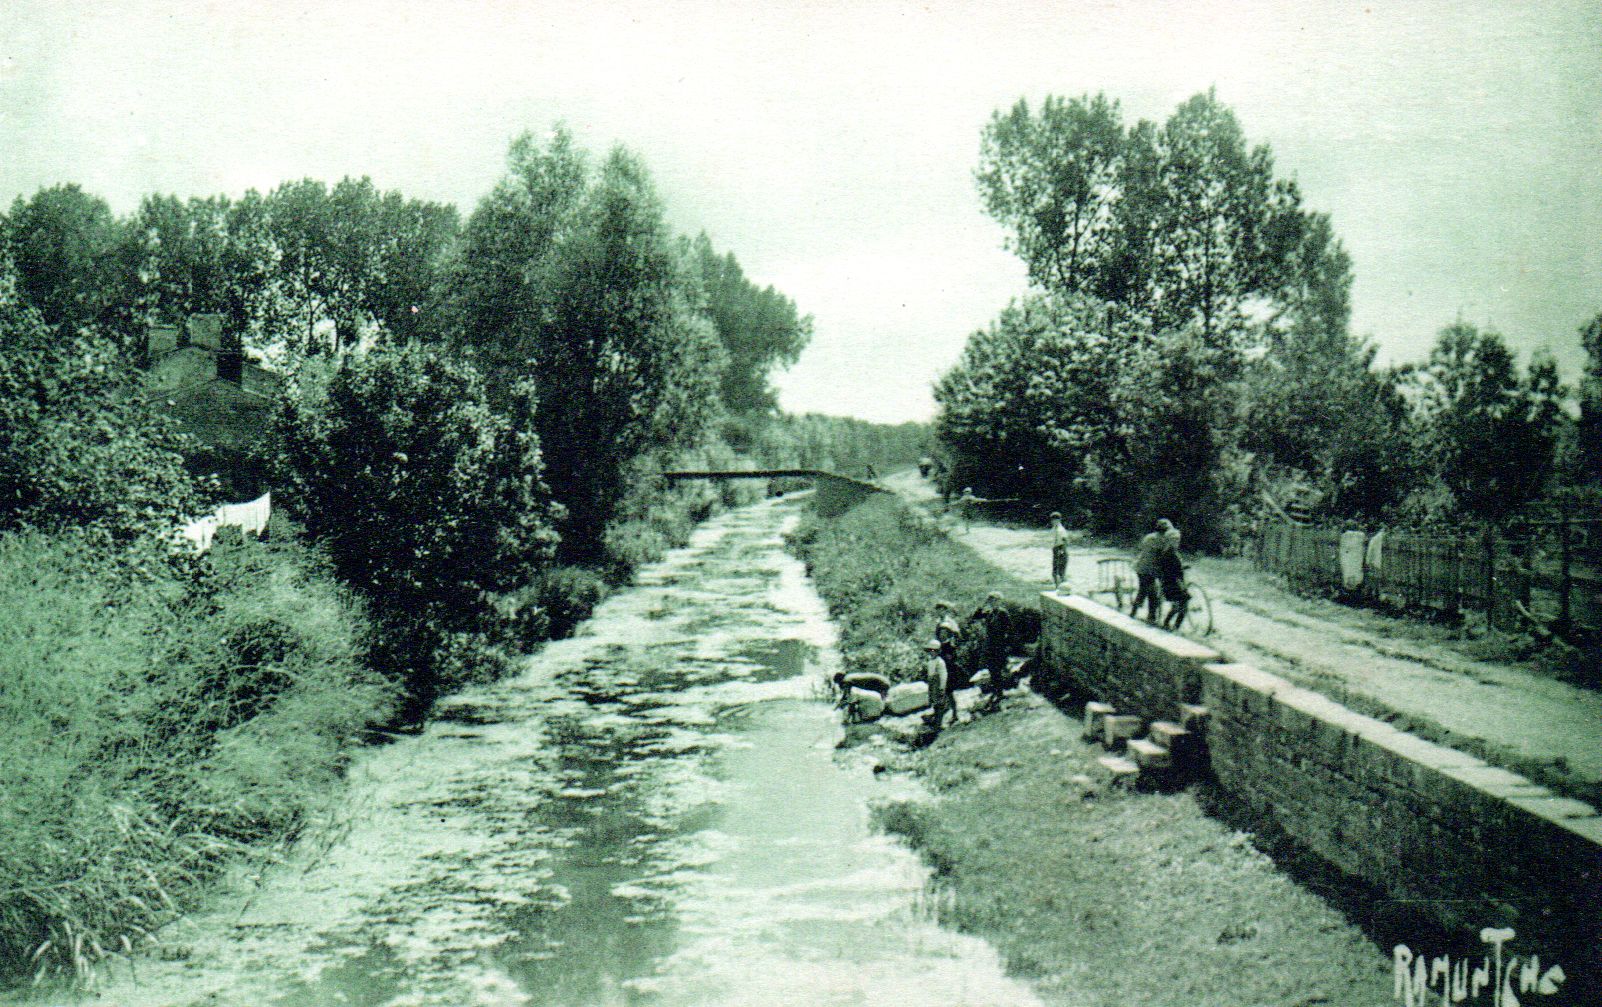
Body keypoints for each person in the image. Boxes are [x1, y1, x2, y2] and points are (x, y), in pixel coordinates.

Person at [975, 592, 1013, 709]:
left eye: (995, 600)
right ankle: (997, 691)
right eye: (991, 600)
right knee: (992, 669)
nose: (993, 603)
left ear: (999, 601)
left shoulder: (1003, 613)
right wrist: (982, 605)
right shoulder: (989, 613)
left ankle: (999, 693)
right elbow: (975, 617)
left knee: (997, 669)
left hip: (999, 645)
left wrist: (1007, 645)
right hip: (990, 645)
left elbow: (1010, 629)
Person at [1130, 521, 1168, 622]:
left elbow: (1141, 549)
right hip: (1148, 569)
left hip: (1140, 567)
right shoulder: (1162, 540)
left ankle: (1135, 612)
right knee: (1151, 593)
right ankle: (1151, 617)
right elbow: (1162, 556)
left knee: (1144, 591)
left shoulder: (1149, 537)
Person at [1157, 531, 1190, 631]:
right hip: (1174, 584)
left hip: (1171, 583)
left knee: (1180, 606)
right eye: (1174, 540)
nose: (1177, 542)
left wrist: (1183, 567)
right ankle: (1172, 626)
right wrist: (1182, 586)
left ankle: (1170, 625)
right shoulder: (1170, 554)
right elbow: (1173, 572)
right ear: (1169, 541)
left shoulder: (1169, 553)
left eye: (1178, 540)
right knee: (1182, 606)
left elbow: (1174, 568)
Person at [922, 638, 957, 731]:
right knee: (935, 704)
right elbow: (930, 674)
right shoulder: (930, 662)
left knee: (940, 705)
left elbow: (943, 675)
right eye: (930, 651)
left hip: (938, 684)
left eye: (934, 651)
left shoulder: (940, 662)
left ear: (938, 651)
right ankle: (936, 722)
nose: (931, 653)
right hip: (933, 684)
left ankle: (939, 723)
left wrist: (942, 687)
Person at [1049, 511, 1069, 588]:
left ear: (1059, 520)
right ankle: (1057, 585)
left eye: (1056, 519)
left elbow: (1065, 540)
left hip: (1060, 548)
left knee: (1060, 569)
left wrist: (1063, 550)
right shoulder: (1054, 528)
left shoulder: (1061, 530)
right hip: (1055, 548)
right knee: (1055, 569)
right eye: (1053, 520)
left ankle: (1062, 586)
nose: (1054, 521)